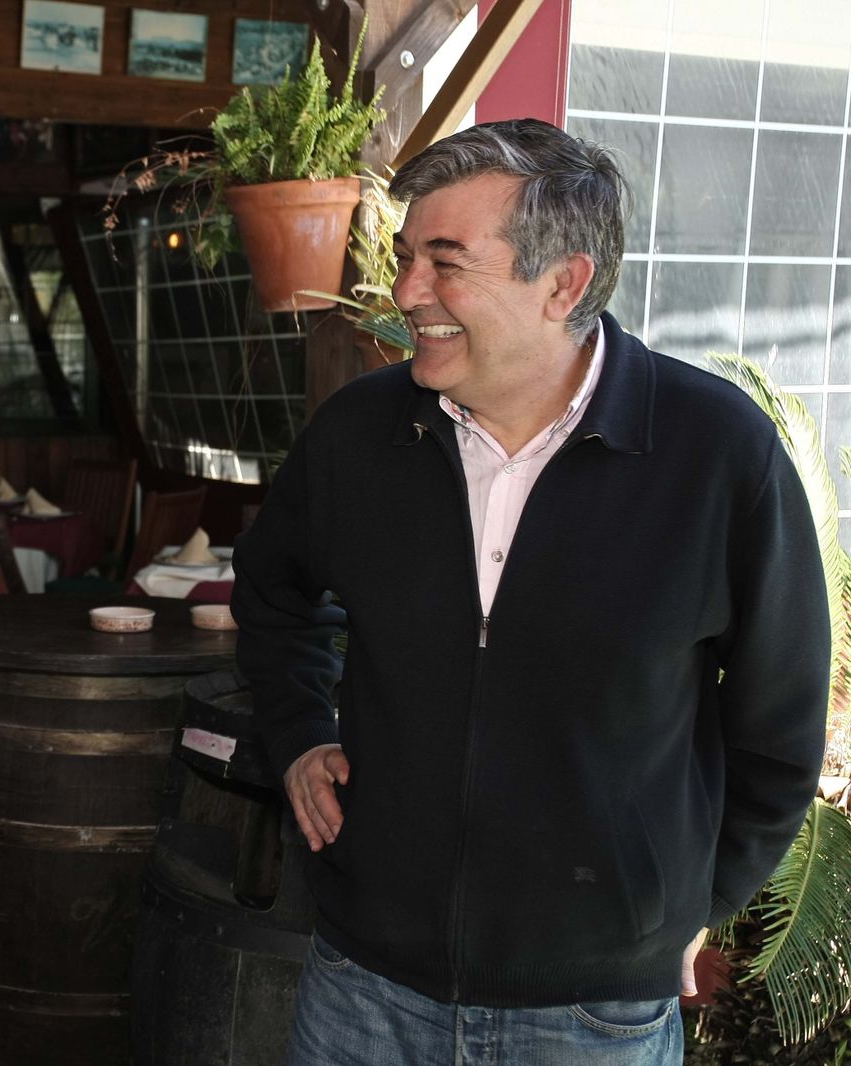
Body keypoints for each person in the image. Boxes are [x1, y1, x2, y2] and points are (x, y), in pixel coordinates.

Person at [232, 118, 829, 1065]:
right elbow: (272, 592)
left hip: (592, 1019)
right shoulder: (356, 436)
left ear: (564, 284)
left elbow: (780, 729)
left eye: (446, 262)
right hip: (361, 986)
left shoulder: (720, 457)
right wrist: (300, 730)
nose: (407, 291)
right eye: (407, 257)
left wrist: (685, 907)